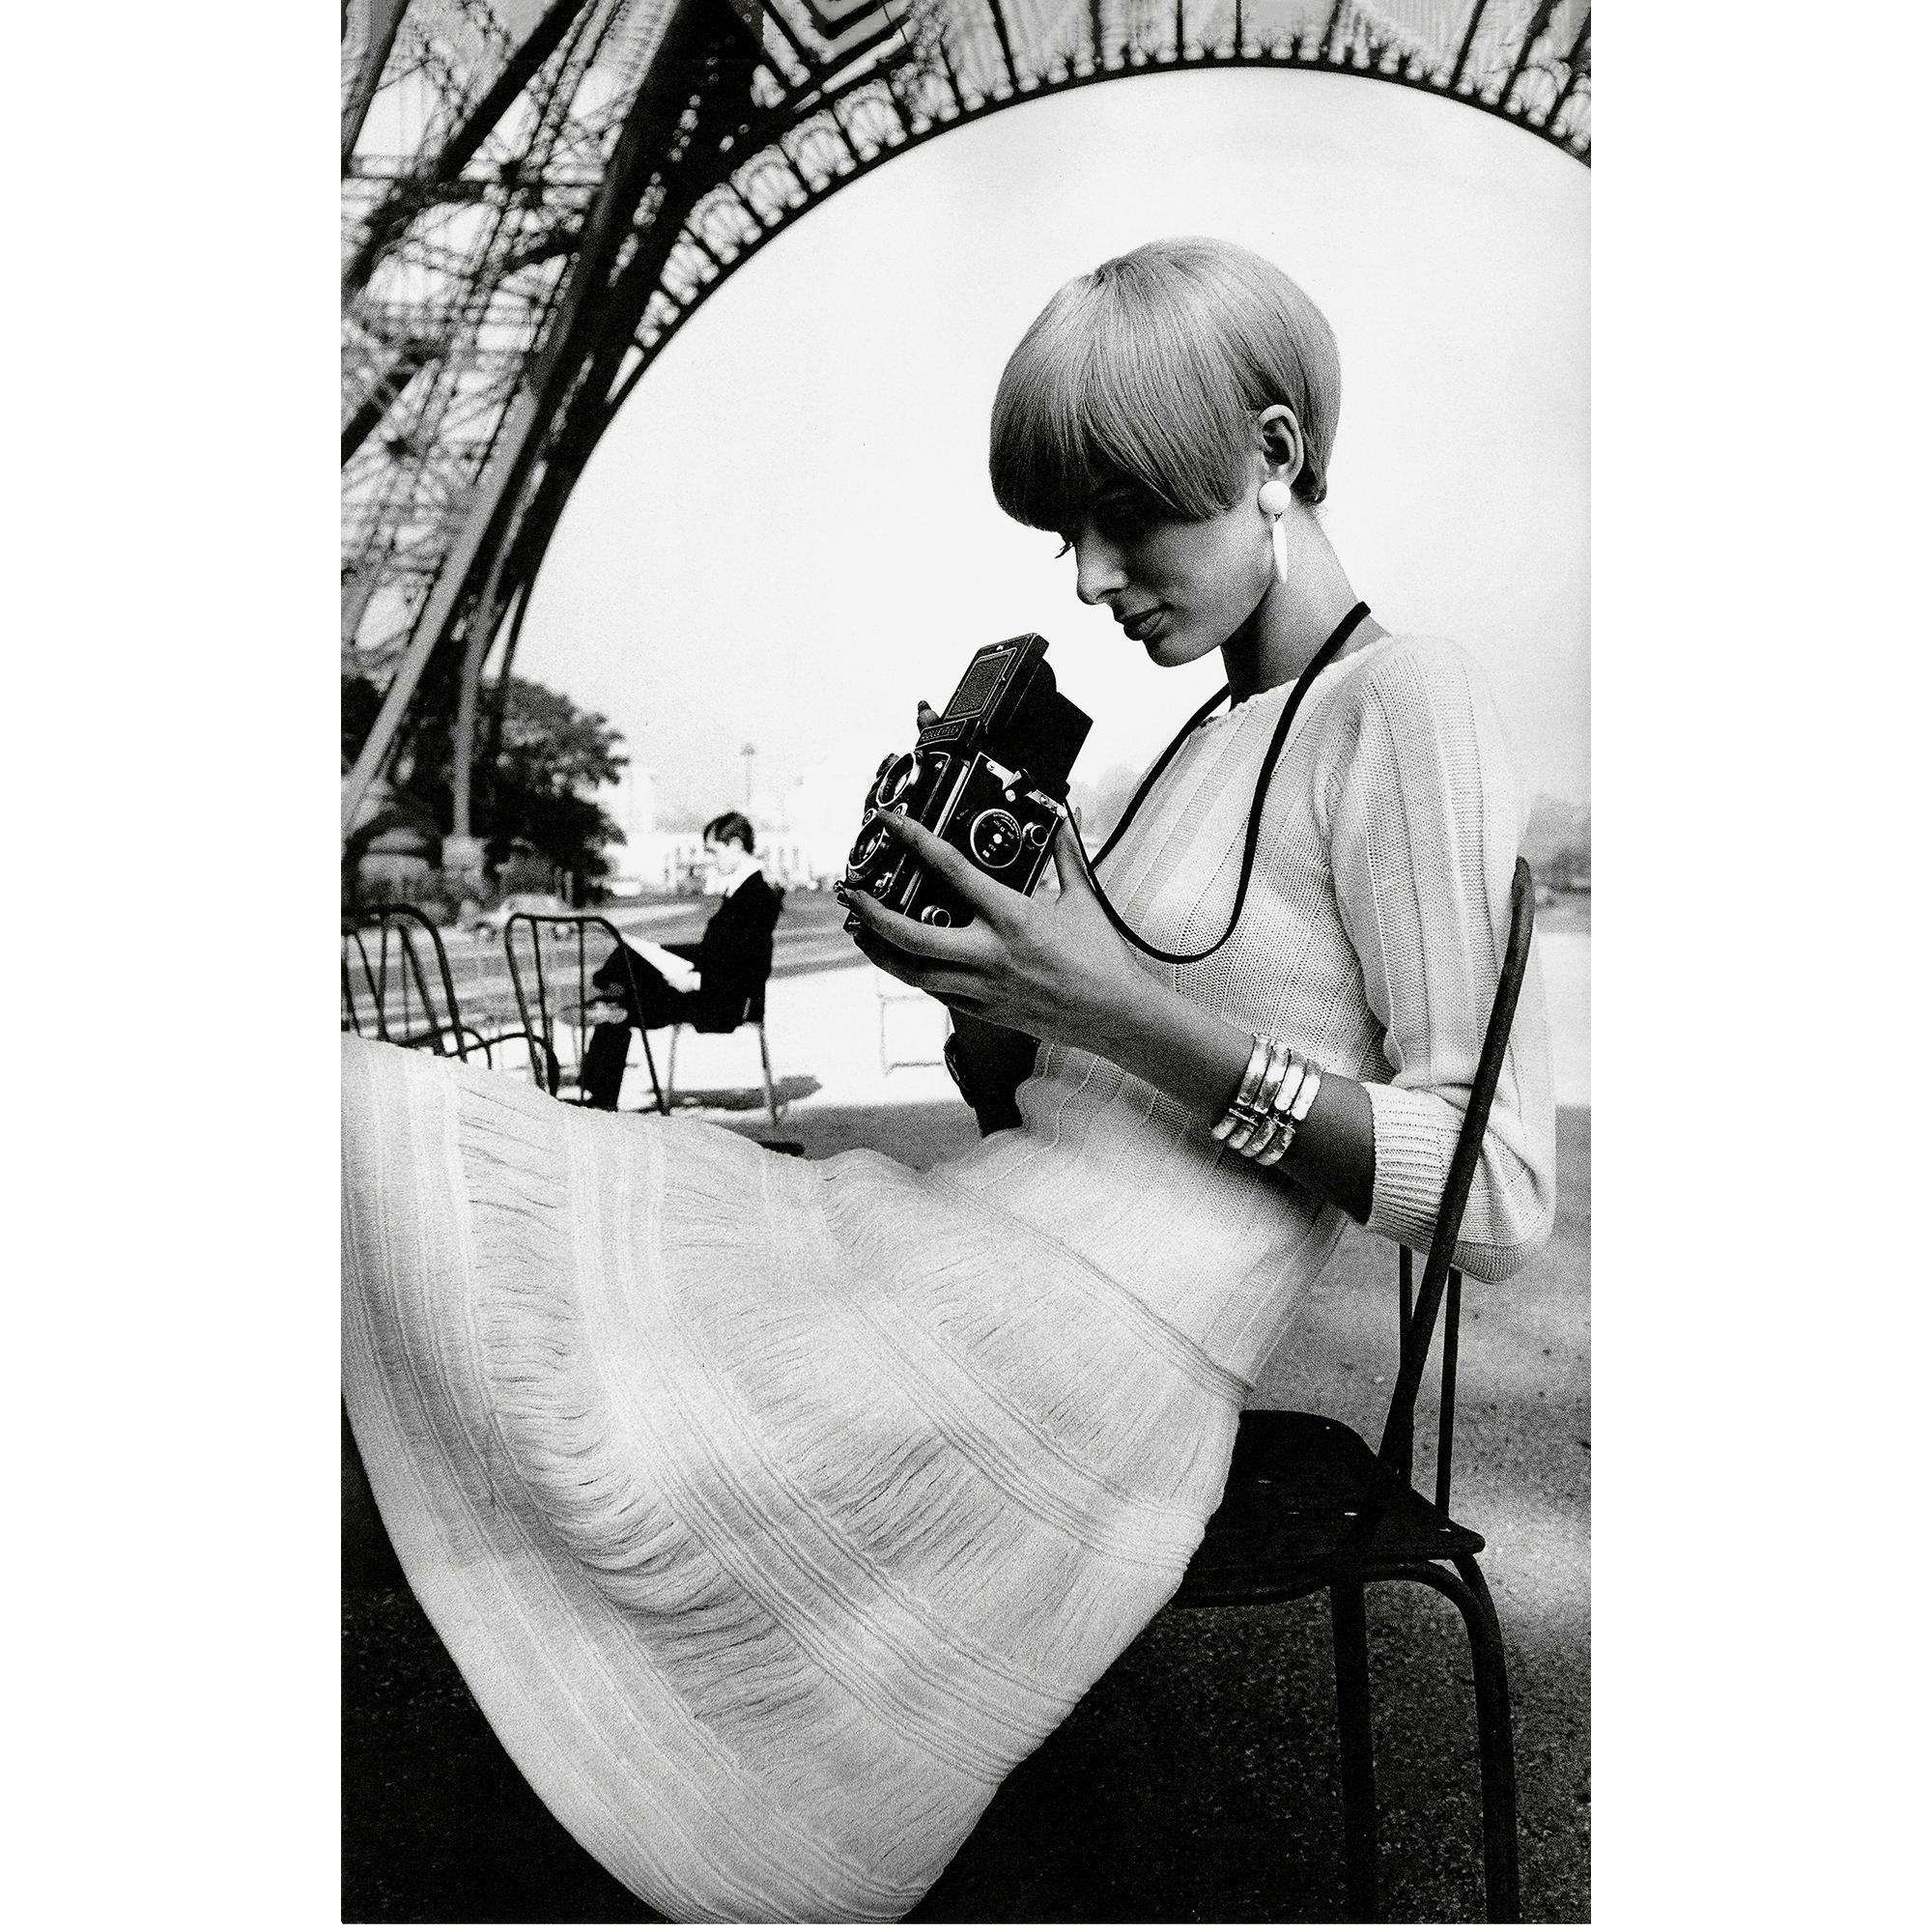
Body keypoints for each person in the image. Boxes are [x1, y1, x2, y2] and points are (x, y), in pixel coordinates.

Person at [341, 237, 1555, 1922]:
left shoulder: (1406, 702)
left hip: (1087, 1363)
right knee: (403, 1181)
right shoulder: (1184, 745)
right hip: (964, 1257)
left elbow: (1496, 1194)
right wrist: (987, 1009)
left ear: (1274, 455)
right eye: (1065, 532)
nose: (1092, 577)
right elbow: (1065, 1116)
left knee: (460, 1269)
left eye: (1126, 515)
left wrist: (1111, 1010)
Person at [577, 810, 783, 1109]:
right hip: (714, 989)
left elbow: (754, 967)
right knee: (630, 959)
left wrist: (695, 981)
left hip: (724, 1001)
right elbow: (721, 952)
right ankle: (607, 999)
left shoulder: (755, 895)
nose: (711, 859)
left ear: (736, 844)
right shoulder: (745, 889)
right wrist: (660, 953)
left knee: (620, 1006)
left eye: (714, 851)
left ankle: (599, 1094)